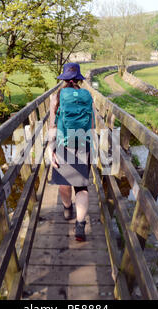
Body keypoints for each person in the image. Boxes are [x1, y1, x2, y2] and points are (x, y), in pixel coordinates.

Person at [48, 62, 95, 242]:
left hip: (63, 144)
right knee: (82, 187)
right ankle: (81, 225)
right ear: (79, 79)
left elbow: (53, 124)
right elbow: (90, 125)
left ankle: (68, 209)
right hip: (83, 143)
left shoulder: (57, 96)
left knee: (64, 182)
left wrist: (50, 147)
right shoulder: (88, 96)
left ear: (64, 78)